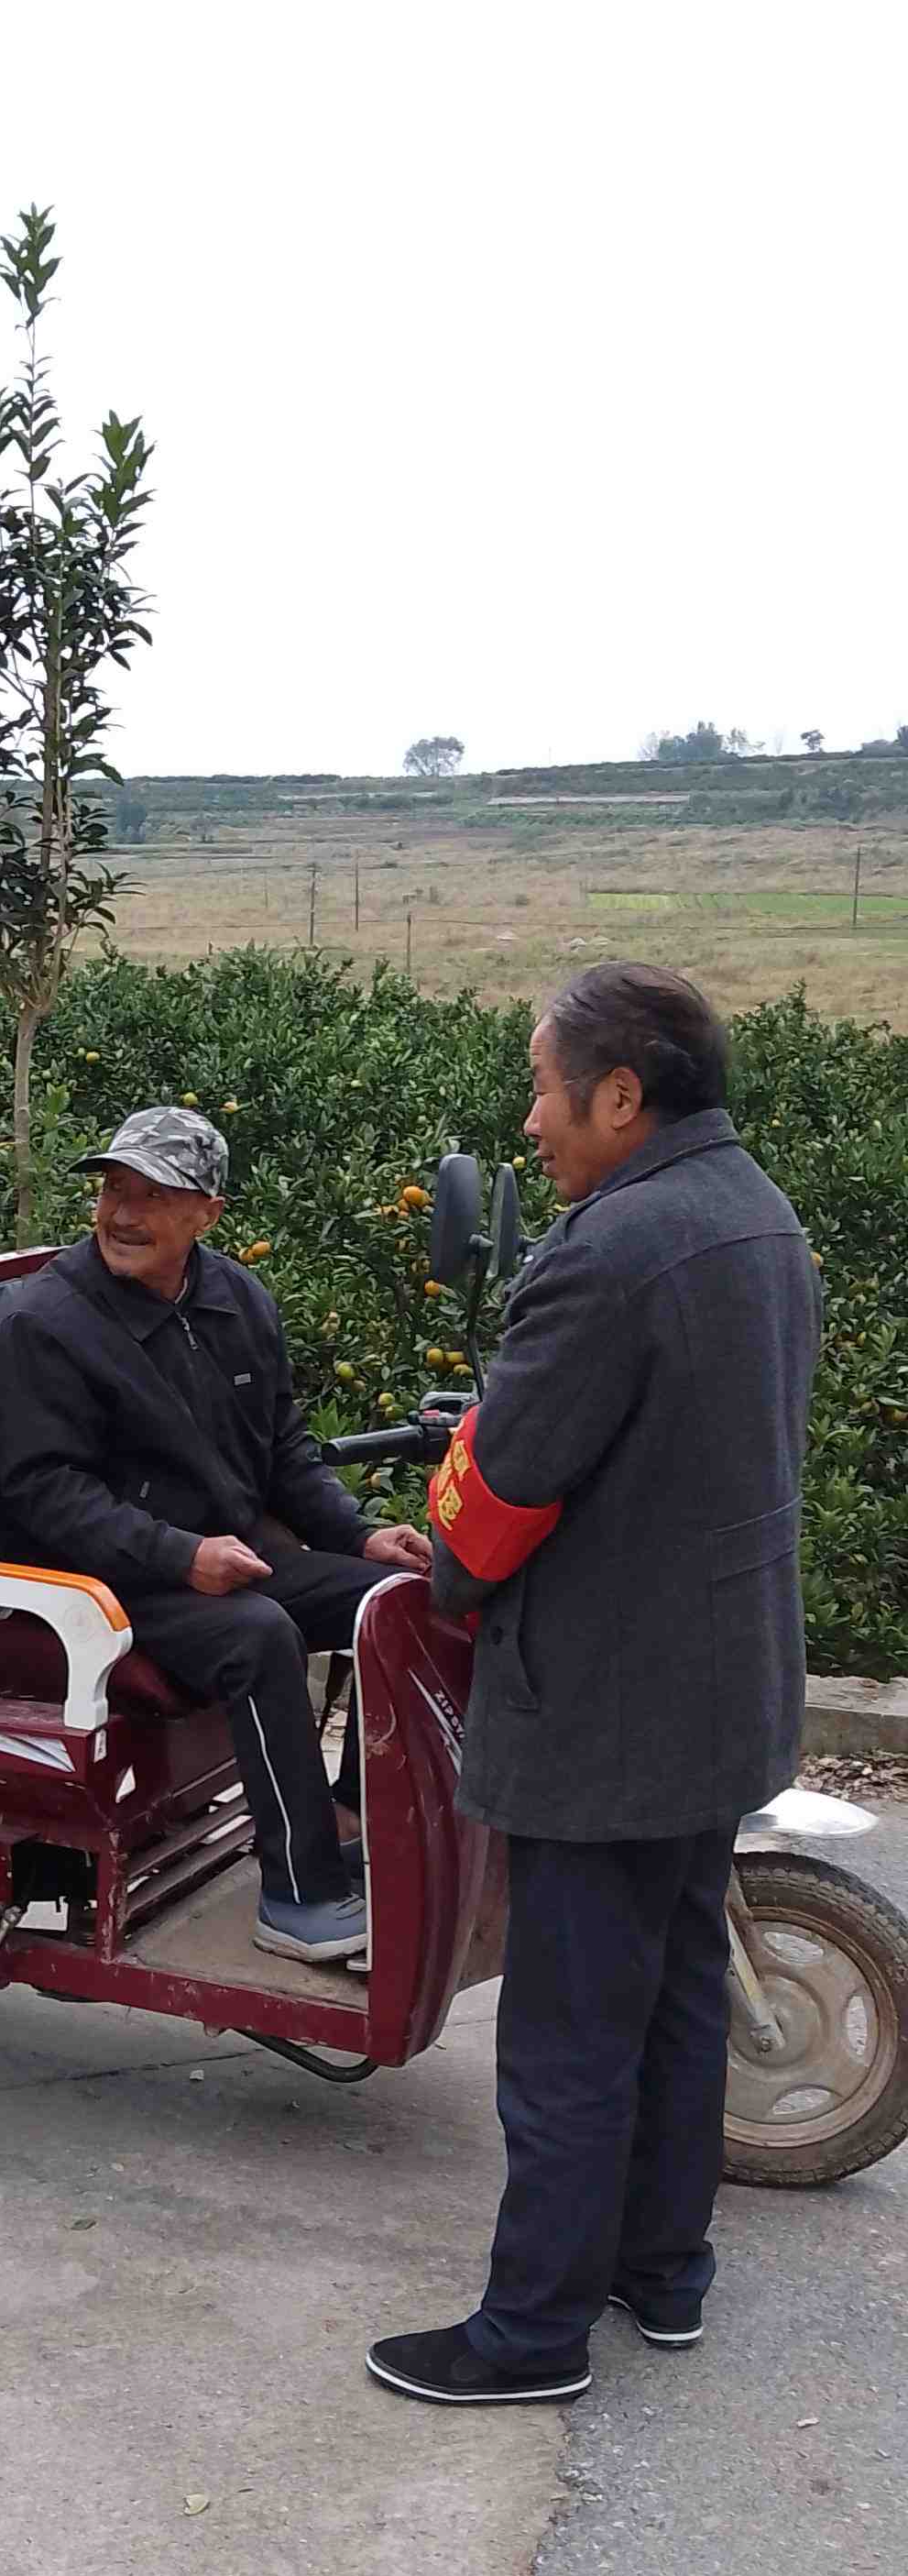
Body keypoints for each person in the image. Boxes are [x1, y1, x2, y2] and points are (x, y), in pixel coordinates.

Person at [367, 962, 820, 2411]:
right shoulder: (757, 1213)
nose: (532, 1115)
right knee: (677, 1989)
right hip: (718, 1682)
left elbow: (498, 1494)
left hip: (609, 1702)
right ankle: (661, 2273)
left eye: (546, 1086)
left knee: (569, 2029)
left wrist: (442, 1556)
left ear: (622, 1097)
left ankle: (530, 2337)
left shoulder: (609, 1251)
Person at [0, 1108, 431, 1965]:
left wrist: (359, 1533)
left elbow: (284, 1451)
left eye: (154, 1195)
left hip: (227, 1556)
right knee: (258, 1636)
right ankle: (299, 1898)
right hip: (104, 1584)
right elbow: (43, 1496)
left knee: (406, 1601)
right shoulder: (44, 1322)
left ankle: (350, 1816)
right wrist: (180, 1555)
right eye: (115, 1187)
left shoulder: (236, 1300)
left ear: (207, 1214)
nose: (123, 1212)